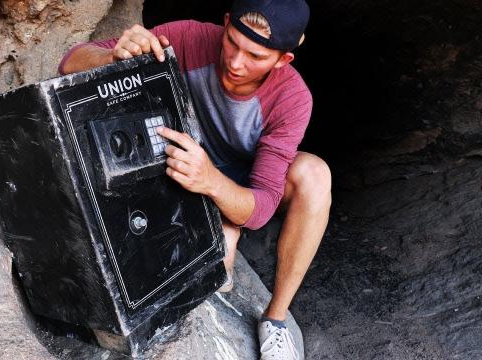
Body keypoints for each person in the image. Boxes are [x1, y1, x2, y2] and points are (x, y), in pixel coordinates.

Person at [58, 0, 331, 358]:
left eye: (256, 56)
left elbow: (262, 206)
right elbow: (70, 61)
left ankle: (276, 320)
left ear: (283, 60)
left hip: (233, 182)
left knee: (314, 174)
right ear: (226, 22)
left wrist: (213, 183)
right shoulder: (188, 37)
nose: (235, 62)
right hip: (174, 164)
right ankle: (221, 232)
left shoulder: (293, 99)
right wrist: (111, 58)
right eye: (232, 42)